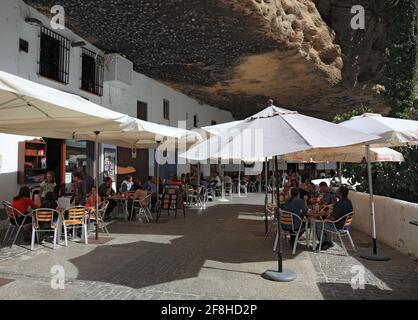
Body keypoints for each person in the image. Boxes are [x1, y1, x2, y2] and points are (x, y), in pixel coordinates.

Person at [316, 186, 353, 250]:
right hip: (345, 226)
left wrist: (324, 219)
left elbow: (332, 218)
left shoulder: (340, 204)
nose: (336, 192)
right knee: (326, 223)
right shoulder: (348, 201)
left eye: (337, 191)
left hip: (338, 227)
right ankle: (328, 242)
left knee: (318, 224)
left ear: (340, 193)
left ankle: (324, 243)